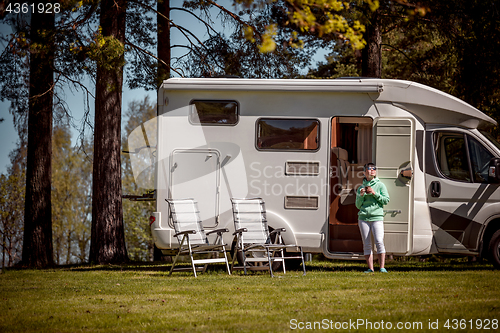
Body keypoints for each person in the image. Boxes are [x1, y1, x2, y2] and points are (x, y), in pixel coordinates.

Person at [355, 163, 390, 273]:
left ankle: (382, 267)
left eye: (374, 169)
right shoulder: (361, 188)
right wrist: (361, 196)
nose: (372, 170)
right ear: (365, 172)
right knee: (367, 243)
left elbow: (386, 200)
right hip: (363, 218)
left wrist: (374, 193)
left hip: (377, 217)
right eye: (369, 169)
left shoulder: (380, 185)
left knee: (379, 241)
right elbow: (357, 205)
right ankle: (370, 268)